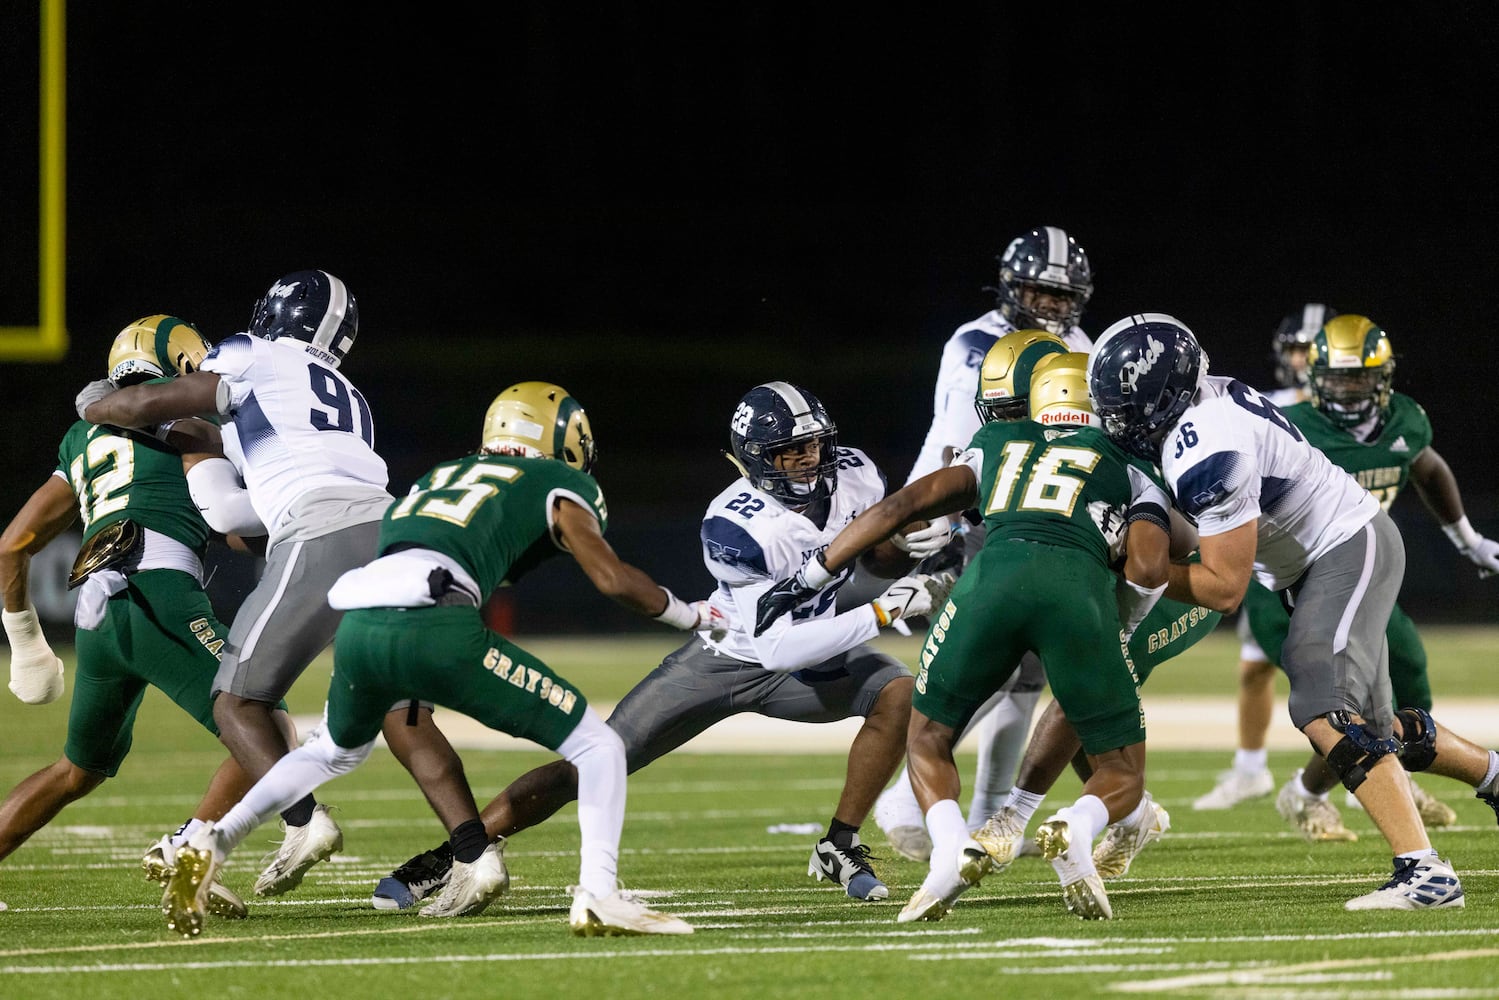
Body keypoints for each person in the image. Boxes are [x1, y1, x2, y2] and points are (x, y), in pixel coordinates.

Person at [159, 381, 715, 938]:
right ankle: (599, 896)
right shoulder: (558, 480)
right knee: (598, 745)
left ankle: (211, 841)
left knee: (330, 752)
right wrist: (691, 616)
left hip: (360, 626)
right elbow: (614, 580)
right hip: (436, 621)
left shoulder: (440, 476)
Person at [370, 381, 954, 910]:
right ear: (753, 460)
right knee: (593, 765)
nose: (808, 462)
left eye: (815, 446)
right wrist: (886, 609)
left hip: (813, 650)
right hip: (729, 652)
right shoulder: (735, 525)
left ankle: (839, 845)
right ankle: (454, 855)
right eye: (789, 453)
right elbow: (776, 648)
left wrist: (905, 546)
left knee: (898, 696)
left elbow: (870, 556)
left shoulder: (855, 472)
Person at [1088, 312, 1499, 910]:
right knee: (1378, 734)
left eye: (1128, 407)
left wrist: (1127, 563)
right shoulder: (1202, 403)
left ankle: (1425, 875)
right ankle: (1492, 776)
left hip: (1342, 547)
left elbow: (1224, 587)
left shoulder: (1208, 445)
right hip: (1324, 557)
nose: (1117, 422)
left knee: (1320, 704)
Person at [756, 353, 1176, 922]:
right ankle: (1076, 828)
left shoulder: (999, 439)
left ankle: (950, 851)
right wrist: (1120, 613)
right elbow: (1149, 569)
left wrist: (817, 571)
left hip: (989, 586)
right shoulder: (1131, 460)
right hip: (1079, 597)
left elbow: (903, 505)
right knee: (1121, 770)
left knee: (927, 735)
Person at [76, 271, 391, 898]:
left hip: (318, 533)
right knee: (403, 707)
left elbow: (147, 407)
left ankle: (301, 820)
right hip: (393, 533)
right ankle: (470, 850)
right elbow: (238, 514)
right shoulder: (351, 398)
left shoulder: (252, 352)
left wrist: (94, 404)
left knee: (240, 704)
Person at [1, 315, 268, 919]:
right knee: (264, 727)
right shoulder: (186, 419)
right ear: (179, 363)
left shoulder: (84, 434)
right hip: (157, 594)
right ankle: (190, 853)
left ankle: (191, 858)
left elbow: (12, 544)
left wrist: (27, 641)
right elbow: (230, 524)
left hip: (98, 612)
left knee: (77, 770)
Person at [1195, 315, 1497, 838]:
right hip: (1284, 579)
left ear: (1383, 378)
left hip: (1356, 562)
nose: (1348, 389)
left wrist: (1468, 539)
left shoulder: (1406, 420)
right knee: (1332, 699)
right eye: (1336, 378)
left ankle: (1329, 788)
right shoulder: (1279, 416)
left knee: (1404, 677)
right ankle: (1378, 799)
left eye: (1358, 378)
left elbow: (1428, 468)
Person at [875, 225, 1097, 863]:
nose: (1052, 306)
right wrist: (942, 526)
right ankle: (902, 800)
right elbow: (956, 443)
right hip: (978, 510)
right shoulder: (978, 345)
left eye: (1063, 295)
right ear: (1010, 286)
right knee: (986, 663)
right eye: (1039, 292)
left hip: (1041, 507)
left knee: (1026, 671)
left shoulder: (1078, 343)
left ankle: (992, 812)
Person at [1193, 303, 1339, 812]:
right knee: (1256, 664)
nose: (1300, 360)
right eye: (1295, 349)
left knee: (1334, 669)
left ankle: (1359, 762)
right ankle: (1250, 769)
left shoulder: (1347, 408)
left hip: (1325, 546)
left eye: (1310, 350)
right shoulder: (1266, 401)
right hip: (1265, 550)